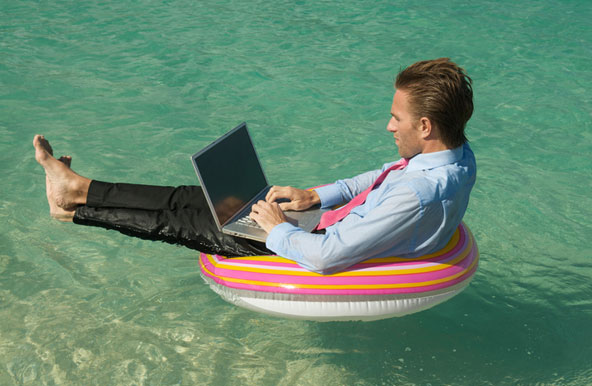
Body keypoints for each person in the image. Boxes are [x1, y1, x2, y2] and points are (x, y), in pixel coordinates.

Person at [33, 58, 476, 274]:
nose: (388, 126)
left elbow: (328, 257)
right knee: (192, 197)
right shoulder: (455, 154)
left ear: (424, 124)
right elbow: (376, 174)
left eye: (396, 119)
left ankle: (72, 211)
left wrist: (277, 229)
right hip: (317, 219)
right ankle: (79, 185)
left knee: (180, 222)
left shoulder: (417, 194)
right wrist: (316, 195)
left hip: (306, 244)